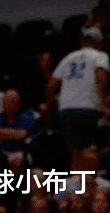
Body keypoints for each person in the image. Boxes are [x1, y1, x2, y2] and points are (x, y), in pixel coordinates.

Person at [47, 26, 109, 168]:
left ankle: (78, 182)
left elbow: (51, 85)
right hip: (90, 108)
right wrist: (103, 103)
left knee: (75, 155)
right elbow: (100, 77)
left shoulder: (68, 58)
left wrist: (51, 107)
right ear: (100, 43)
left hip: (67, 110)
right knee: (92, 153)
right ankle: (92, 181)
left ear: (82, 42)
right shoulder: (100, 56)